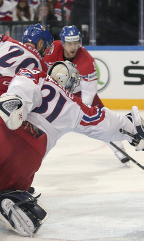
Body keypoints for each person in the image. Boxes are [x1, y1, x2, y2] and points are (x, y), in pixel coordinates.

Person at [0, 61, 144, 237]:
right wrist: (134, 131)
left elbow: (23, 88)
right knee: (8, 186)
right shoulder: (76, 106)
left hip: (1, 130)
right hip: (30, 155)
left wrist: (16, 102)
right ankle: (10, 197)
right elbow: (105, 122)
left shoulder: (35, 73)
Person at [43, 25, 129, 164]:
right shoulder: (50, 50)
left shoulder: (86, 61)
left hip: (79, 91)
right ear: (63, 42)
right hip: (56, 89)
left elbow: (89, 92)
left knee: (100, 117)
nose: (73, 47)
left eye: (76, 43)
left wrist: (81, 110)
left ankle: (118, 147)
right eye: (69, 43)